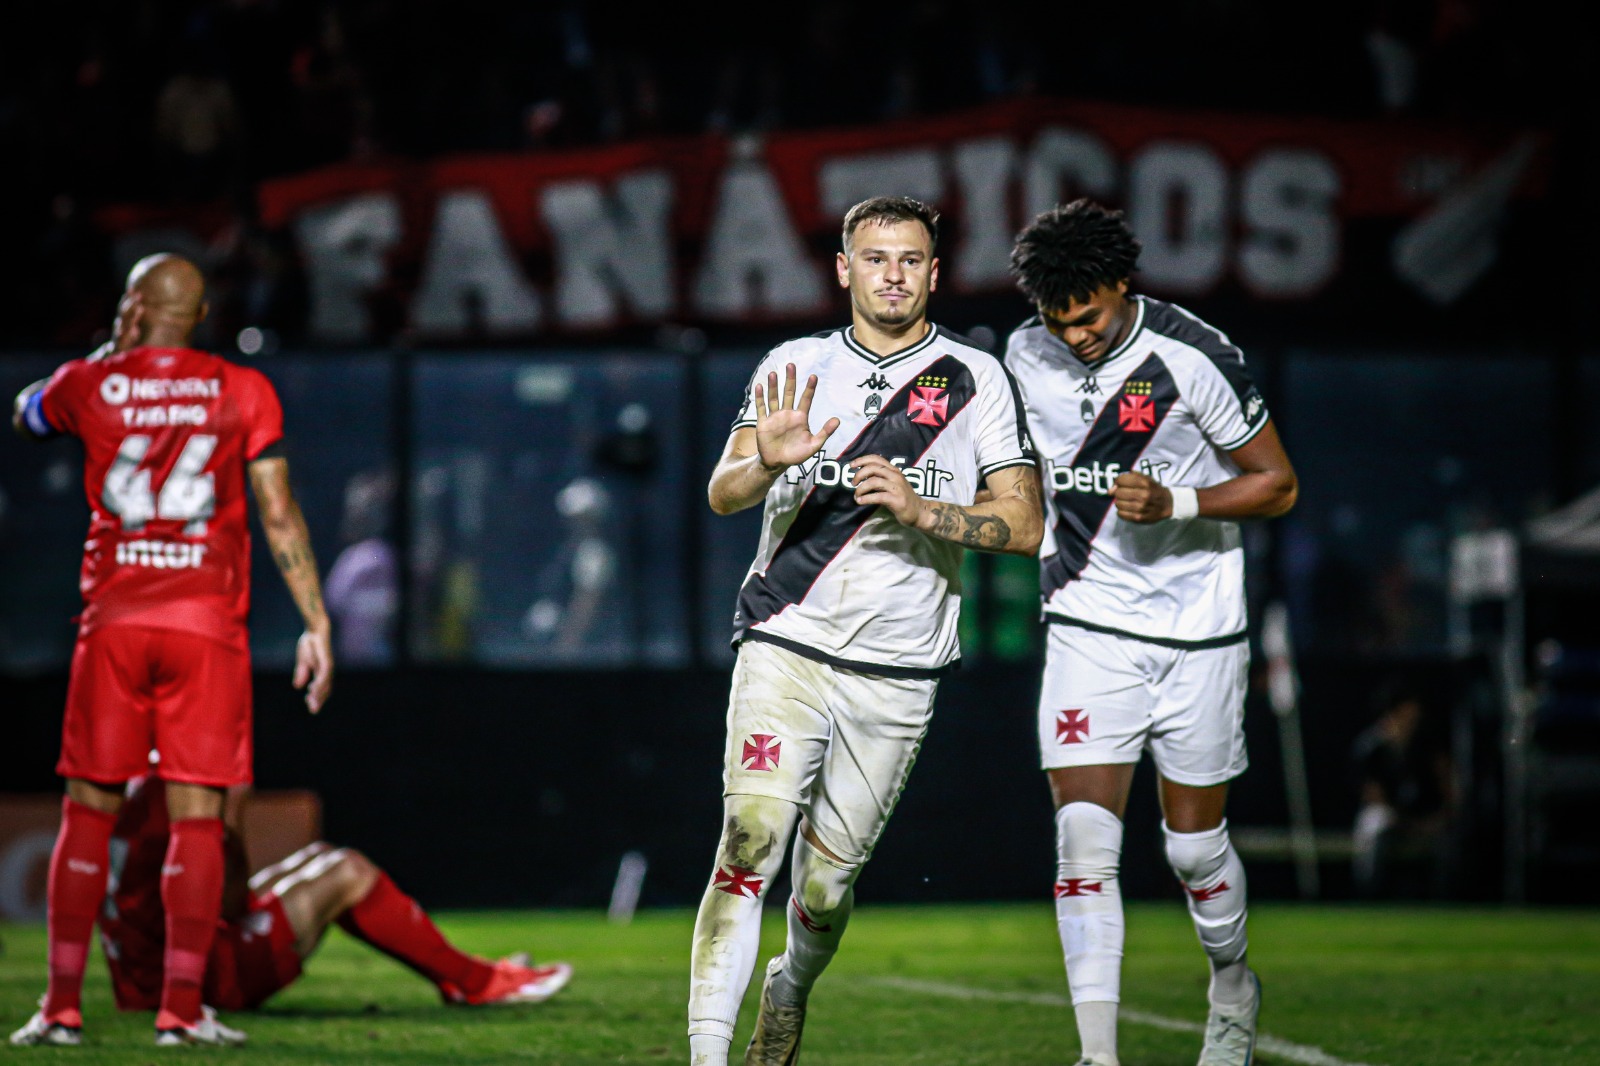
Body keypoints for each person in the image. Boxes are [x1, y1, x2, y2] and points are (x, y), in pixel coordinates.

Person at [690, 196, 1044, 1066]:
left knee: (825, 885)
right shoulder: (797, 363)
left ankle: (790, 987)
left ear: (934, 270)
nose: (893, 274)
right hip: (785, 637)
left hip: (898, 669)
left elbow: (1027, 526)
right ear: (844, 268)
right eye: (876, 258)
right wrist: (763, 460)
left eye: (911, 259)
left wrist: (926, 509)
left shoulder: (975, 378)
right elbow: (723, 492)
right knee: (748, 844)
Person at [9, 255, 334, 1048]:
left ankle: (58, 1009)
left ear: (134, 305)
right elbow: (279, 509)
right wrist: (316, 622)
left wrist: (107, 359)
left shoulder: (94, 383)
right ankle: (181, 1014)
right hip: (205, 626)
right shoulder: (241, 388)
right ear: (197, 314)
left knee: (88, 810)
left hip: (114, 622)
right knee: (196, 814)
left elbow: (24, 413)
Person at [1004, 200, 1298, 1066]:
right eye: (1059, 322)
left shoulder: (1193, 357)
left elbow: (1277, 485)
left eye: (1088, 317)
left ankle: (1234, 984)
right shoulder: (1025, 356)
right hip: (1088, 621)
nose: (1076, 336)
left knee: (1194, 848)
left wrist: (1182, 500)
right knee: (1084, 840)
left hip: (1199, 629)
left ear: (1120, 284)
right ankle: (1097, 1057)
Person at [95, 775, 572, 1014]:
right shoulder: (186, 782)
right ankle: (474, 982)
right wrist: (232, 824)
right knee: (347, 872)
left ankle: (465, 976)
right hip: (195, 982)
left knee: (320, 857)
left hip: (138, 973)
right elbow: (228, 903)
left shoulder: (136, 770)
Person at [1350, 682, 1456, 898]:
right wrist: (1406, 820)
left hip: (1422, 816)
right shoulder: (1371, 747)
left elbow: (1447, 786)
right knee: (1376, 825)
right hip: (1388, 816)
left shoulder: (1426, 743)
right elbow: (1373, 796)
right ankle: (1370, 898)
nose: (1414, 716)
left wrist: (1437, 816)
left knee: (1447, 839)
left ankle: (1443, 900)